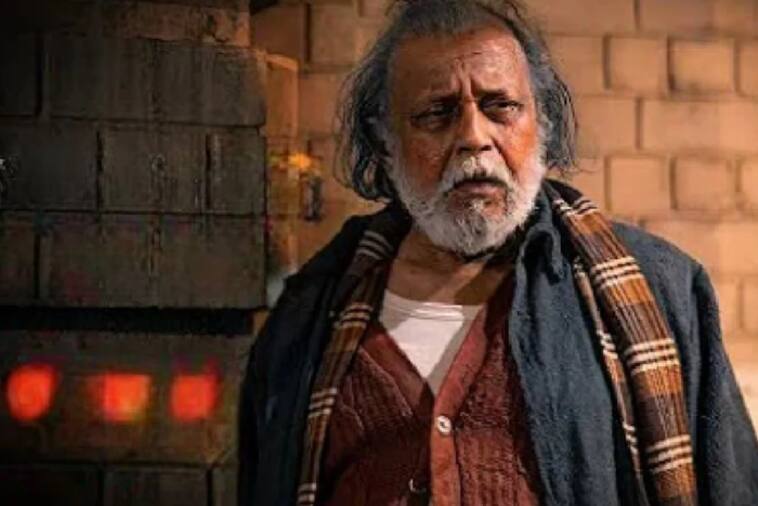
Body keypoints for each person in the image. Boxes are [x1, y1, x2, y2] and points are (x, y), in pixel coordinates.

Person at [238, 1, 758, 504]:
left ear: (541, 121)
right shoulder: (311, 314)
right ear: (384, 140)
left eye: (500, 107)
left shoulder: (663, 291)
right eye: (436, 113)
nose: (474, 137)